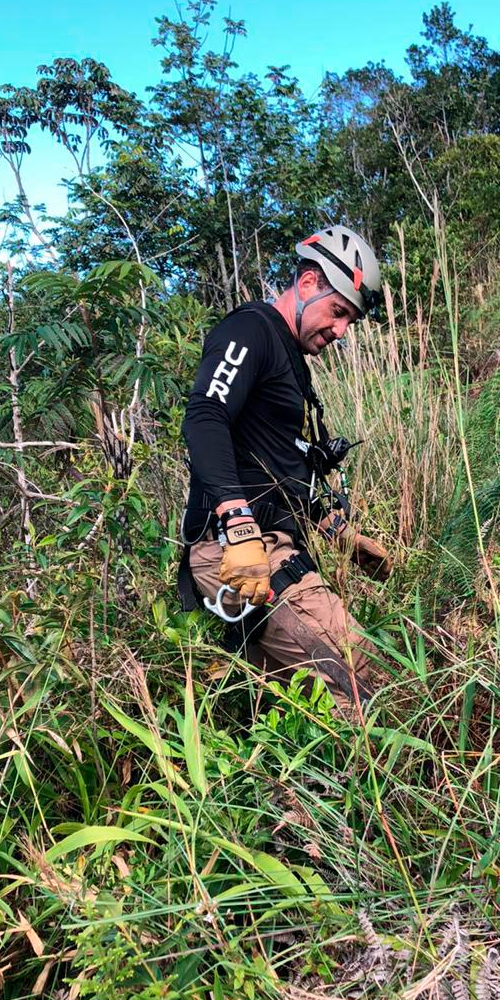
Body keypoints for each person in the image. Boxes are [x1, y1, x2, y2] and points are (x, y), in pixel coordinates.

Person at [176, 226, 391, 715]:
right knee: (367, 682)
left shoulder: (291, 361)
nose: (340, 332)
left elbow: (278, 472)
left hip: (271, 549)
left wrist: (340, 534)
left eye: (350, 322)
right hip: (241, 552)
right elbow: (205, 417)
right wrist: (239, 522)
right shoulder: (250, 330)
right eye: (338, 312)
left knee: (279, 718)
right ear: (310, 282)